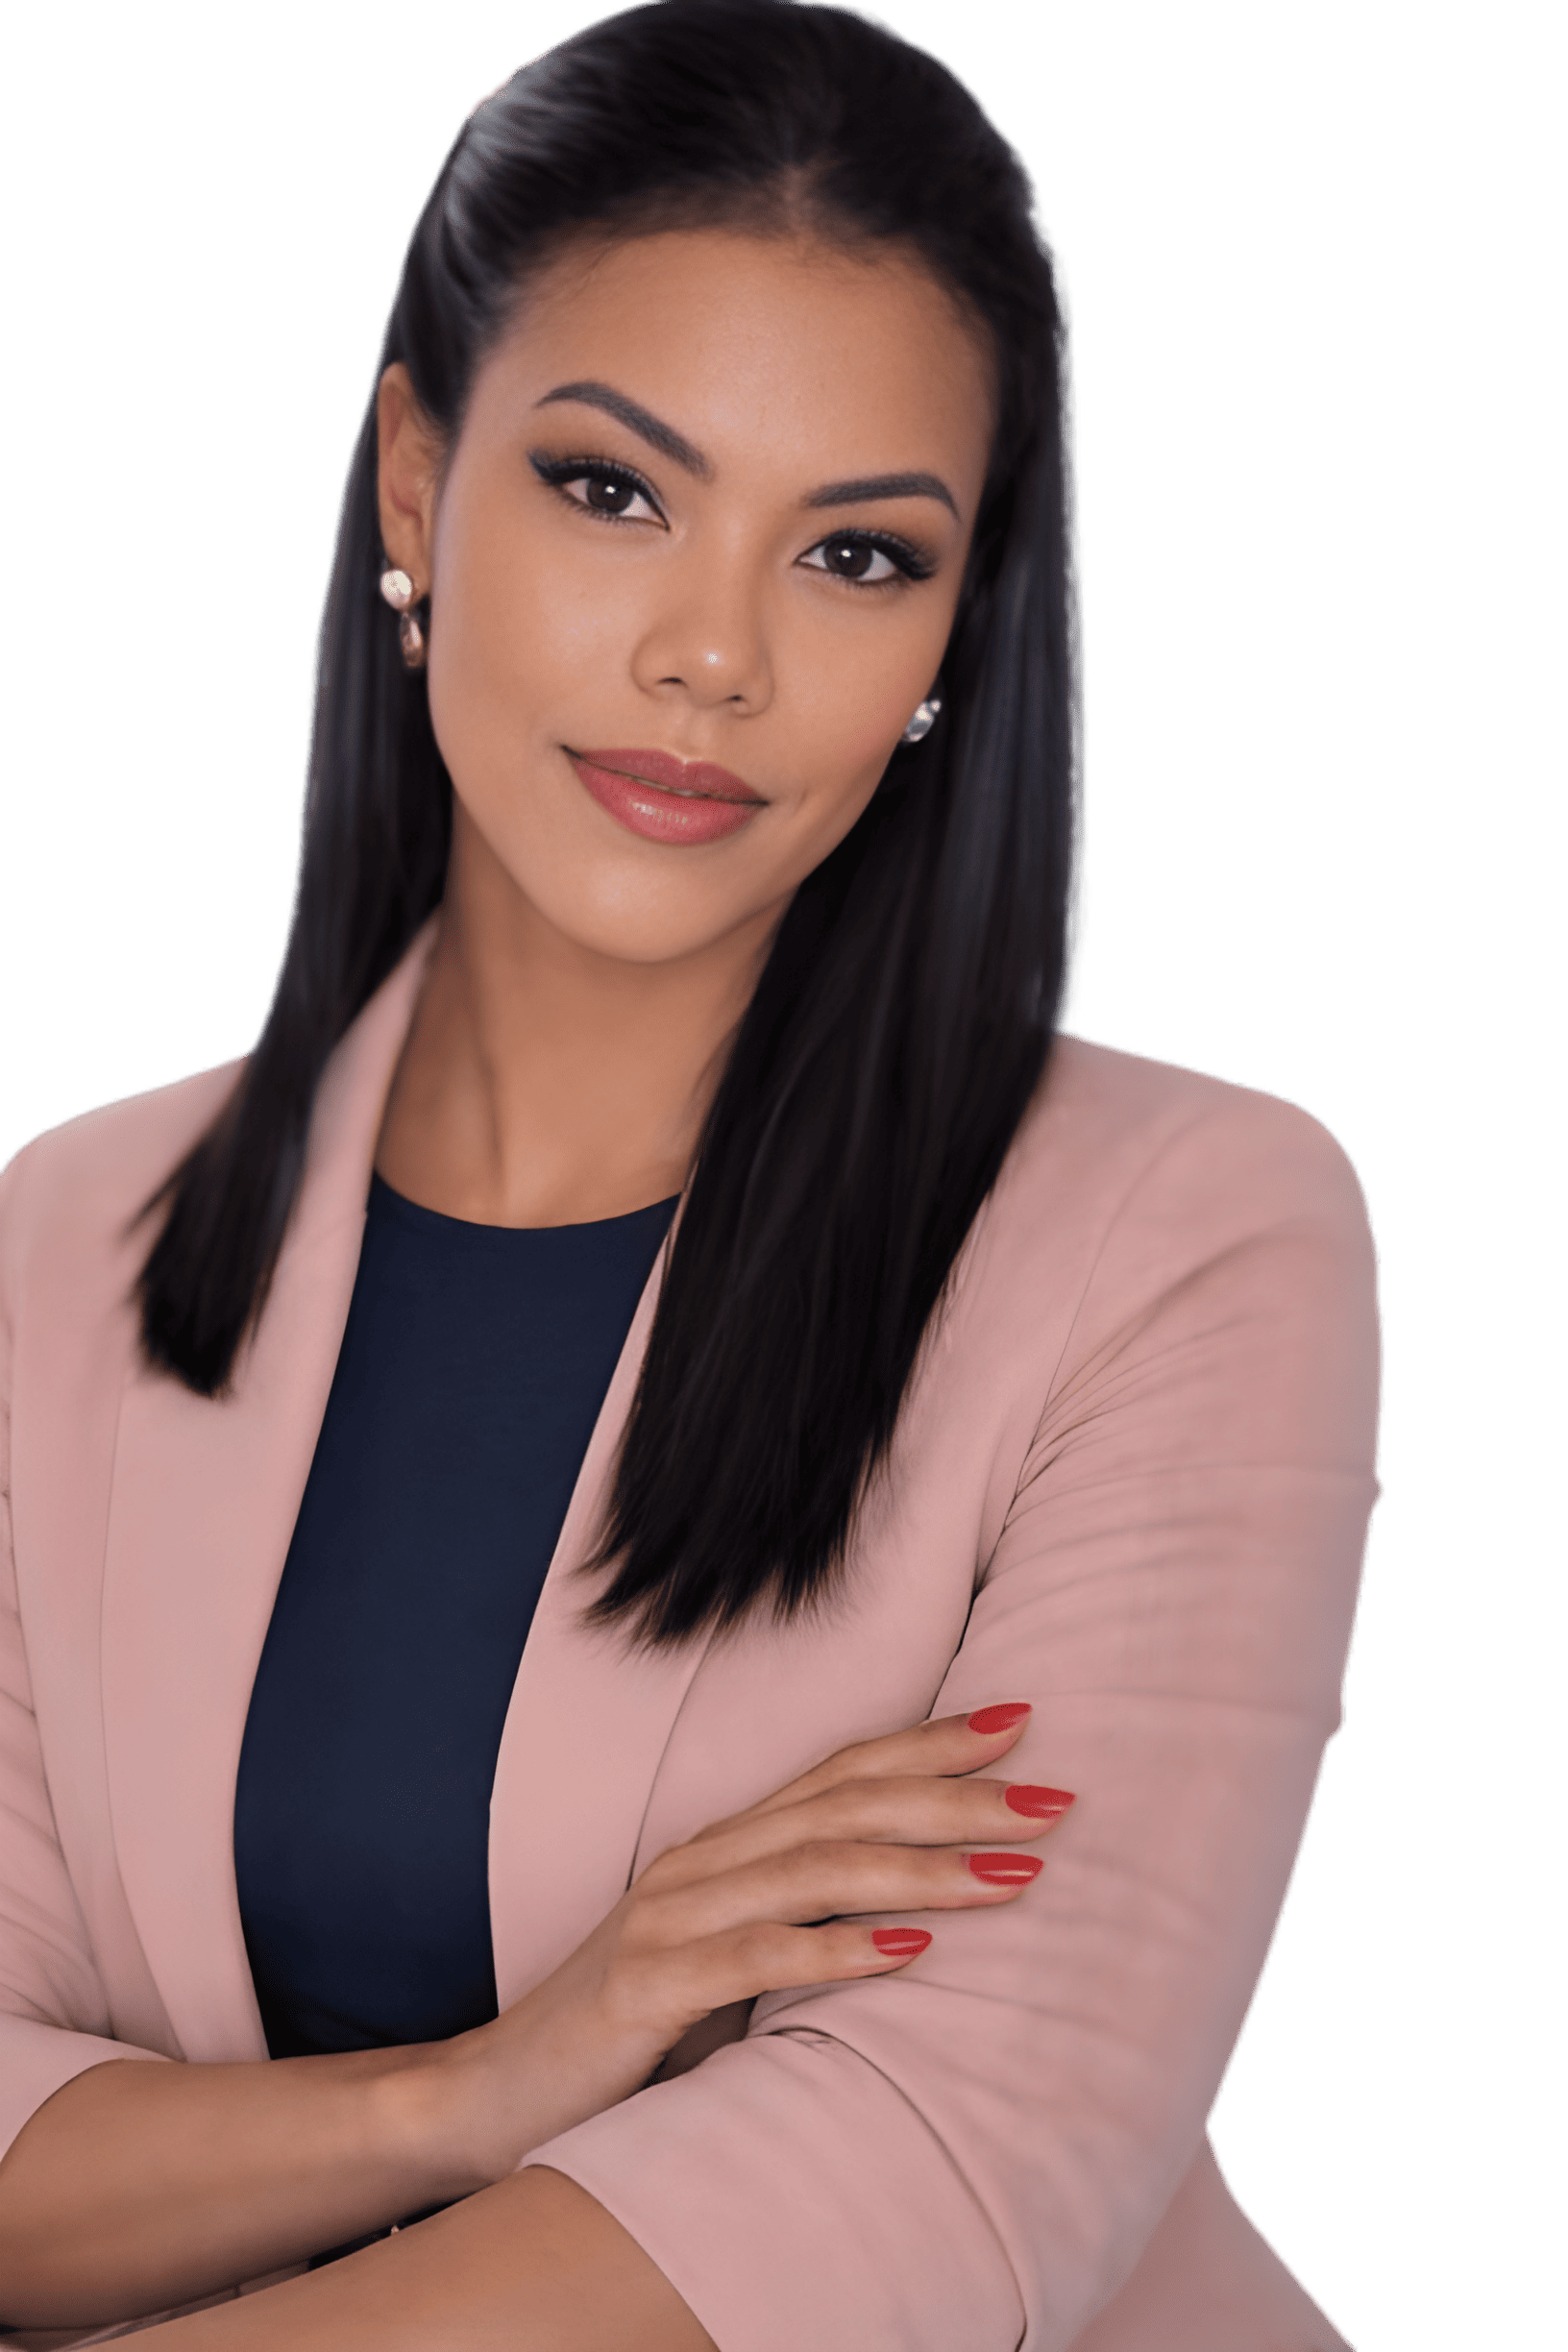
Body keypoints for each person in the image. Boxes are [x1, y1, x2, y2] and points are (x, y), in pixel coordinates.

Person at [0, 2, 1384, 2344]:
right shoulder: (65, 1249)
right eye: (613, 489)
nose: (714, 657)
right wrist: (470, 2095)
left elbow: (932, 2175)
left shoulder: (1186, 1243)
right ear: (416, 485)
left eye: (856, 552)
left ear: (953, 636)